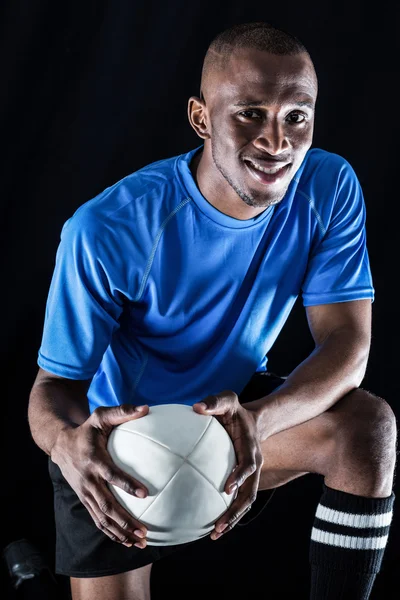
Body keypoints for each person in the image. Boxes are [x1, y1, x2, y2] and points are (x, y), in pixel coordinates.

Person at [27, 20, 396, 600]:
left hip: (234, 420)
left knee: (368, 429)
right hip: (121, 448)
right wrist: (66, 446)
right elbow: (52, 389)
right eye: (250, 113)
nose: (278, 141)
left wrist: (260, 418)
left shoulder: (328, 186)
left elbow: (348, 346)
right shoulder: (108, 229)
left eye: (295, 116)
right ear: (202, 118)